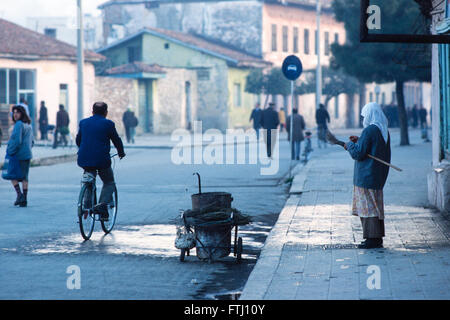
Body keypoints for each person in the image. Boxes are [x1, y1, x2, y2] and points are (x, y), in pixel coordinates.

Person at [340, 102, 391, 249]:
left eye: (365, 115)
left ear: (369, 115)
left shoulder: (369, 130)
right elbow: (372, 147)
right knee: (375, 207)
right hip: (377, 175)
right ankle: (376, 238)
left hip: (366, 176)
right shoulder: (383, 130)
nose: (364, 118)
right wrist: (359, 140)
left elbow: (358, 153)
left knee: (368, 208)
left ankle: (372, 239)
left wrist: (349, 145)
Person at [76, 102, 125, 220]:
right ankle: (102, 205)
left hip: (84, 159)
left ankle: (87, 206)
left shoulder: (83, 123)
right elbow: (116, 140)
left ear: (92, 112)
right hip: (102, 160)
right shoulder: (108, 124)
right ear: (106, 113)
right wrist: (121, 152)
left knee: (89, 178)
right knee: (109, 182)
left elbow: (78, 140)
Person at [7, 105, 34, 207]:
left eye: (17, 112)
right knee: (24, 177)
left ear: (22, 113)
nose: (15, 114)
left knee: (11, 175)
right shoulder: (28, 125)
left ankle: (19, 195)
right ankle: (24, 199)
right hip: (27, 154)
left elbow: (17, 141)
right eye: (14, 112)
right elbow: (32, 142)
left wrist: (10, 151)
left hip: (18, 155)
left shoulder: (18, 124)